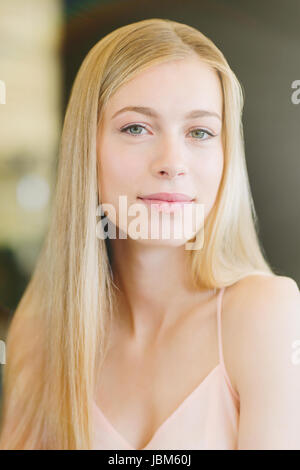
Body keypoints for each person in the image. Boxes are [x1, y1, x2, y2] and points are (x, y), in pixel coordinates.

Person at [0, 18, 299, 451]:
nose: (172, 163)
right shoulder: (41, 332)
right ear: (87, 147)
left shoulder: (265, 314)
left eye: (200, 132)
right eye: (136, 128)